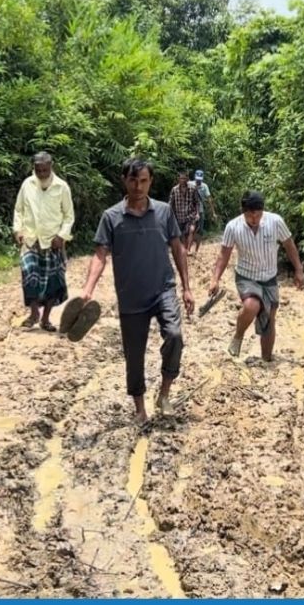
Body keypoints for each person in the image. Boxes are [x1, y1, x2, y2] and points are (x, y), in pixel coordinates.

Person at [81, 159, 195, 424]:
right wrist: (87, 289)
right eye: (133, 180)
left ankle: (164, 394)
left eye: (143, 180)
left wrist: (187, 288)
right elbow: (100, 255)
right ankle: (140, 409)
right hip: (131, 296)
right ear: (124, 180)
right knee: (134, 354)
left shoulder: (164, 212)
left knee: (175, 336)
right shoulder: (111, 217)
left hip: (163, 290)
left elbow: (178, 249)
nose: (138, 186)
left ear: (150, 181)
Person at [208, 191, 304, 362]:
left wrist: (298, 269)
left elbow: (289, 245)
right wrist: (215, 278)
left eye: (258, 215)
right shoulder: (233, 227)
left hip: (269, 277)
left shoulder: (275, 222)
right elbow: (224, 254)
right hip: (246, 276)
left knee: (269, 318)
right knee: (252, 305)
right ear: (243, 211)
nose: (254, 219)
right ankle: (238, 336)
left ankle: (266, 358)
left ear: (262, 211)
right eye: (250, 215)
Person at [12, 151, 75, 331]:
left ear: (51, 167)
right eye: (38, 170)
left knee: (52, 283)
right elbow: (18, 210)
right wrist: (18, 230)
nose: (41, 174)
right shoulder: (27, 184)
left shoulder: (61, 187)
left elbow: (69, 216)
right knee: (29, 276)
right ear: (34, 168)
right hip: (31, 240)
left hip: (52, 242)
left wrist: (61, 236)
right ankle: (34, 313)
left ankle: (45, 319)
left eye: (44, 170)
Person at [168, 171, 201, 257]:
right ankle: (184, 249)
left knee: (191, 230)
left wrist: (197, 213)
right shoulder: (174, 190)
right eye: (181, 178)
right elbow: (170, 203)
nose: (183, 180)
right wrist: (169, 214)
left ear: (187, 179)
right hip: (179, 216)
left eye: (184, 178)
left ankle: (188, 249)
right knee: (182, 235)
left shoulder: (193, 188)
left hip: (190, 215)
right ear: (178, 179)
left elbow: (197, 202)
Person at [191, 170, 217, 256]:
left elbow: (209, 200)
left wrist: (213, 212)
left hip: (201, 210)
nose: (198, 181)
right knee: (190, 229)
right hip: (190, 210)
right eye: (197, 179)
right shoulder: (190, 184)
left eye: (200, 180)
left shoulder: (204, 186)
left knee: (200, 231)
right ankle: (187, 248)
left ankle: (196, 251)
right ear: (195, 178)